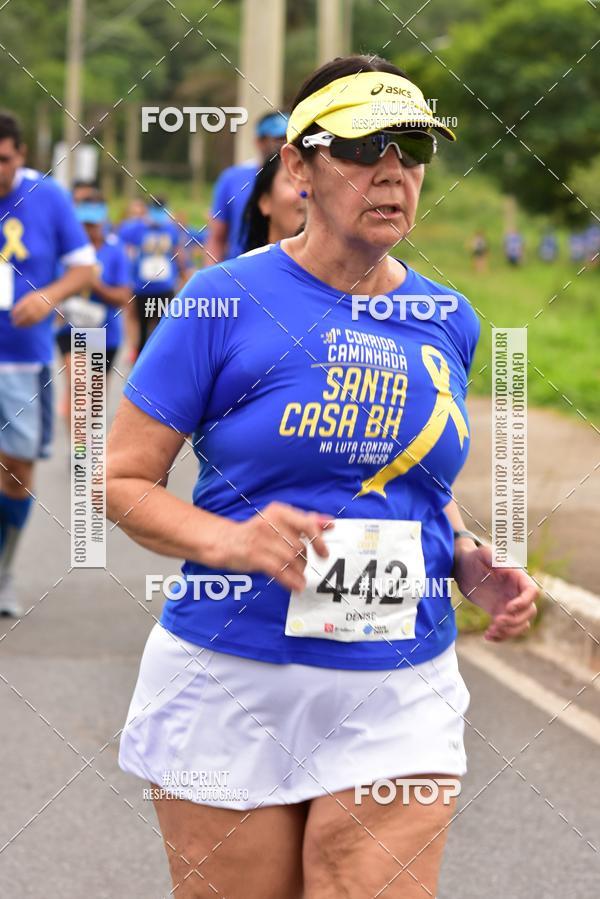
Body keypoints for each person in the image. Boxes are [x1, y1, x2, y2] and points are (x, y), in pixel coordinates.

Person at [107, 55, 539, 899]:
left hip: (396, 675)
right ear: (298, 168)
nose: (393, 171)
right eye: (365, 146)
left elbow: (409, 474)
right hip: (231, 670)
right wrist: (235, 540)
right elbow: (122, 481)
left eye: (411, 151)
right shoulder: (220, 297)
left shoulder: (449, 317)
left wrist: (465, 552)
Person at [0, 112, 95, 616]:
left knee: (15, 470)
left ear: (20, 155)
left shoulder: (48, 197)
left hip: (22, 360)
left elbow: (85, 268)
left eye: (4, 160)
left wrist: (48, 295)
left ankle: (4, 570)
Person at [55, 193, 131, 429]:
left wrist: (94, 283)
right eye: (84, 223)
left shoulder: (115, 249)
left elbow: (123, 297)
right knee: (79, 389)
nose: (88, 229)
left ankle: (88, 453)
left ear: (103, 220)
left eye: (92, 224)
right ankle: (78, 452)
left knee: (93, 400)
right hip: (72, 330)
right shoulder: (67, 249)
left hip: (104, 334)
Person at [205, 111, 289, 262]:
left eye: (290, 138)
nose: (285, 144)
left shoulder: (304, 178)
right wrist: (210, 278)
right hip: (239, 275)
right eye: (279, 139)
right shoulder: (232, 179)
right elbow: (217, 237)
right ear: (259, 142)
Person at [118, 197, 186, 356]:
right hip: (142, 287)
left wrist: (184, 274)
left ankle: (158, 359)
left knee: (163, 328)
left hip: (165, 287)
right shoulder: (136, 228)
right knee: (142, 328)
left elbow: (178, 253)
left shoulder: (171, 230)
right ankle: (139, 360)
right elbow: (120, 243)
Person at [241, 153, 306, 252]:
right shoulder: (241, 267)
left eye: (313, 180)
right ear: (265, 202)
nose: (307, 191)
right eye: (293, 180)